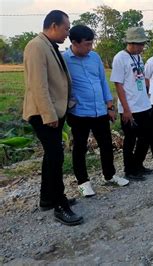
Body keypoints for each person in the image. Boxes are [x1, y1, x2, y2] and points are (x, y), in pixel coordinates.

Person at [22, 10, 83, 225]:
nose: (68, 32)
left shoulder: (50, 46)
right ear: (54, 25)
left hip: (54, 111)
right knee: (56, 157)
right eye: (66, 28)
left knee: (51, 156)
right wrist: (49, 114)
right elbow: (38, 85)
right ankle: (60, 205)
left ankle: (47, 199)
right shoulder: (36, 46)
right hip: (43, 113)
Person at [64, 25, 129, 197]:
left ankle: (110, 175)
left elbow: (102, 81)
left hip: (99, 110)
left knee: (106, 144)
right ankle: (83, 182)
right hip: (79, 112)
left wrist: (109, 106)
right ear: (74, 43)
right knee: (80, 148)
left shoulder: (94, 57)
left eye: (92, 44)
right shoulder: (64, 60)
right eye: (87, 44)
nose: (90, 48)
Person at [110, 27, 153, 180]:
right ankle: (130, 170)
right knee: (130, 140)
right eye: (140, 44)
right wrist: (126, 110)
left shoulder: (138, 57)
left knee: (146, 137)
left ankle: (139, 164)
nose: (142, 47)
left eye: (143, 44)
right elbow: (118, 85)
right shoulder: (120, 58)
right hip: (130, 108)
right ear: (132, 43)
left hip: (144, 105)